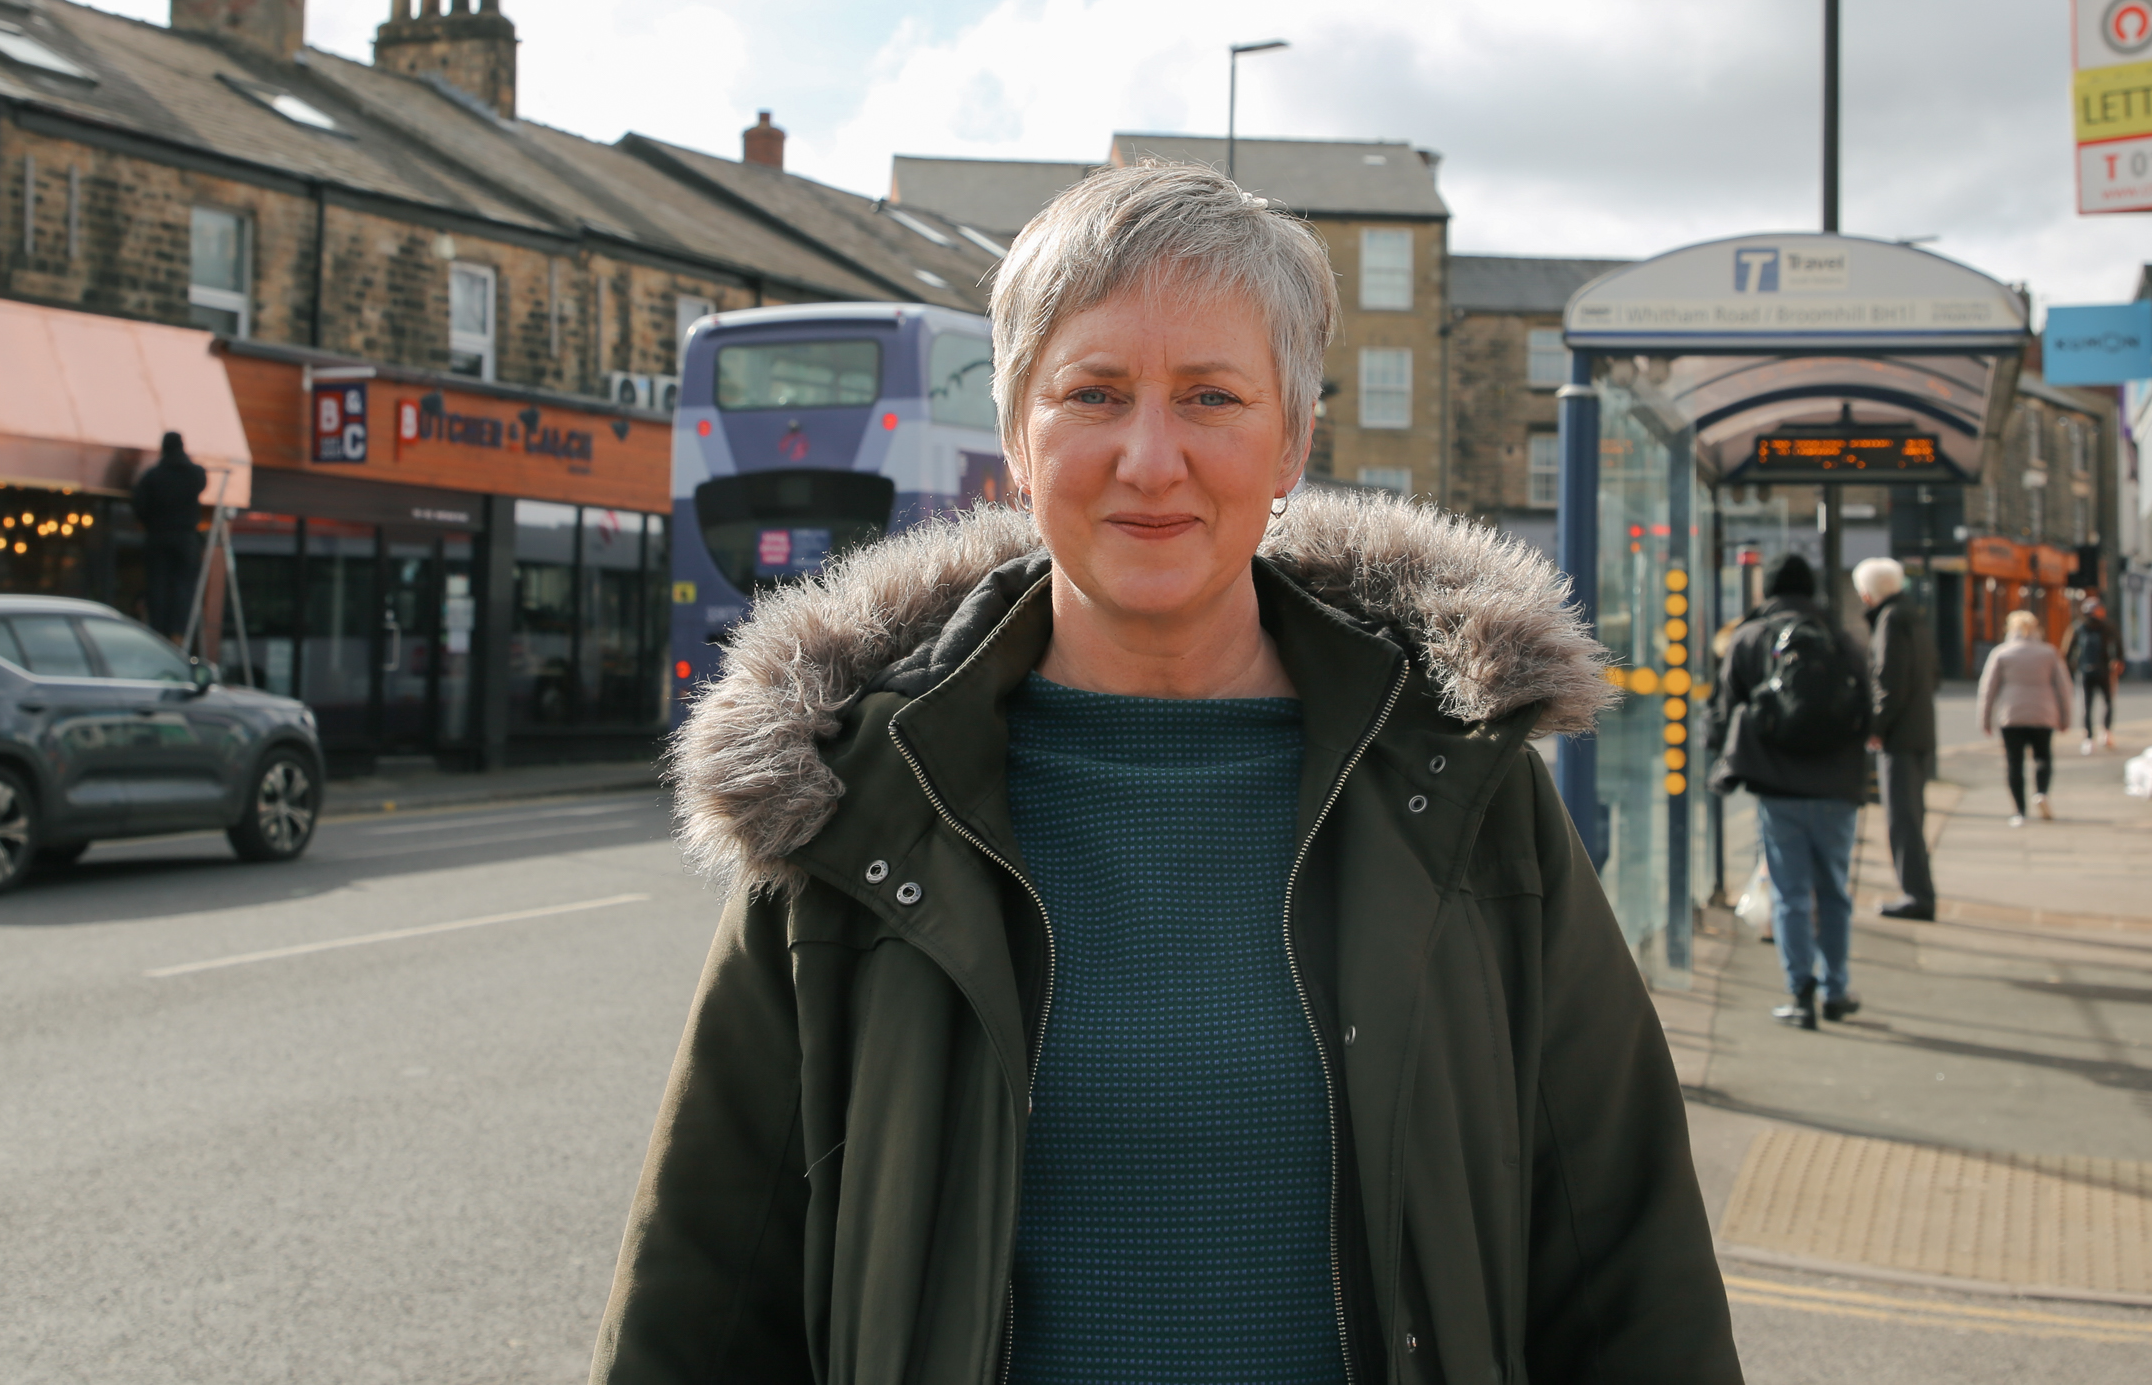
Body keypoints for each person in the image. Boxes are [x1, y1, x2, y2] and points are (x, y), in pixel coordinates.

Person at [595, 162, 1741, 1384]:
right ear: (1017, 439)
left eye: (1211, 396)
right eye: (1092, 393)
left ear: (1292, 437)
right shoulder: (853, 803)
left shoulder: (1460, 785)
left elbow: (1623, 1259)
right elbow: (708, 1296)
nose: (1150, 458)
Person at [1712, 551, 1875, 1031]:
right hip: (1838, 787)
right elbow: (1866, 709)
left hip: (1778, 786)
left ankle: (1799, 993)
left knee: (1790, 894)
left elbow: (1724, 711)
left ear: (1769, 590)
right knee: (1834, 892)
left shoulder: (1749, 638)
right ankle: (1837, 988)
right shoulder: (1842, 640)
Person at [1852, 556, 1938, 922]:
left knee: (1902, 820)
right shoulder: (1913, 617)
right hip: (1919, 732)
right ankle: (1918, 892)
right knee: (1911, 818)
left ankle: (1916, 895)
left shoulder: (1891, 621)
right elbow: (1933, 674)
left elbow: (1888, 682)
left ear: (1868, 593)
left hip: (1900, 738)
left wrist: (1875, 728)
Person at [1977, 608, 2075, 824]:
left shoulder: (2002, 653)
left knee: (2014, 763)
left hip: (2011, 715)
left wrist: (1985, 719)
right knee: (2043, 757)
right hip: (2044, 714)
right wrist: (2066, 718)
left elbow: (1988, 689)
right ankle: (2041, 793)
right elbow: (2064, 688)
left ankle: (2019, 812)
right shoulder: (2049, 653)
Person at [129, 431, 209, 644]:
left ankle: (158, 632)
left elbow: (139, 504)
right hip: (185, 537)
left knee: (158, 585)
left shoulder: (153, 476)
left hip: (158, 536)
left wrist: (149, 522)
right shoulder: (195, 474)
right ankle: (178, 633)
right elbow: (201, 483)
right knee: (184, 586)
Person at [2065, 598, 2125, 754]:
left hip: (2104, 669)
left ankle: (2106, 732)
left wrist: (2118, 660)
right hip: (2086, 671)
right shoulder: (2079, 628)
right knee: (2087, 705)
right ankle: (2089, 737)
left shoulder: (2106, 627)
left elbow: (2118, 644)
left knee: (2108, 702)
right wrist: (2070, 670)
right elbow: (2068, 651)